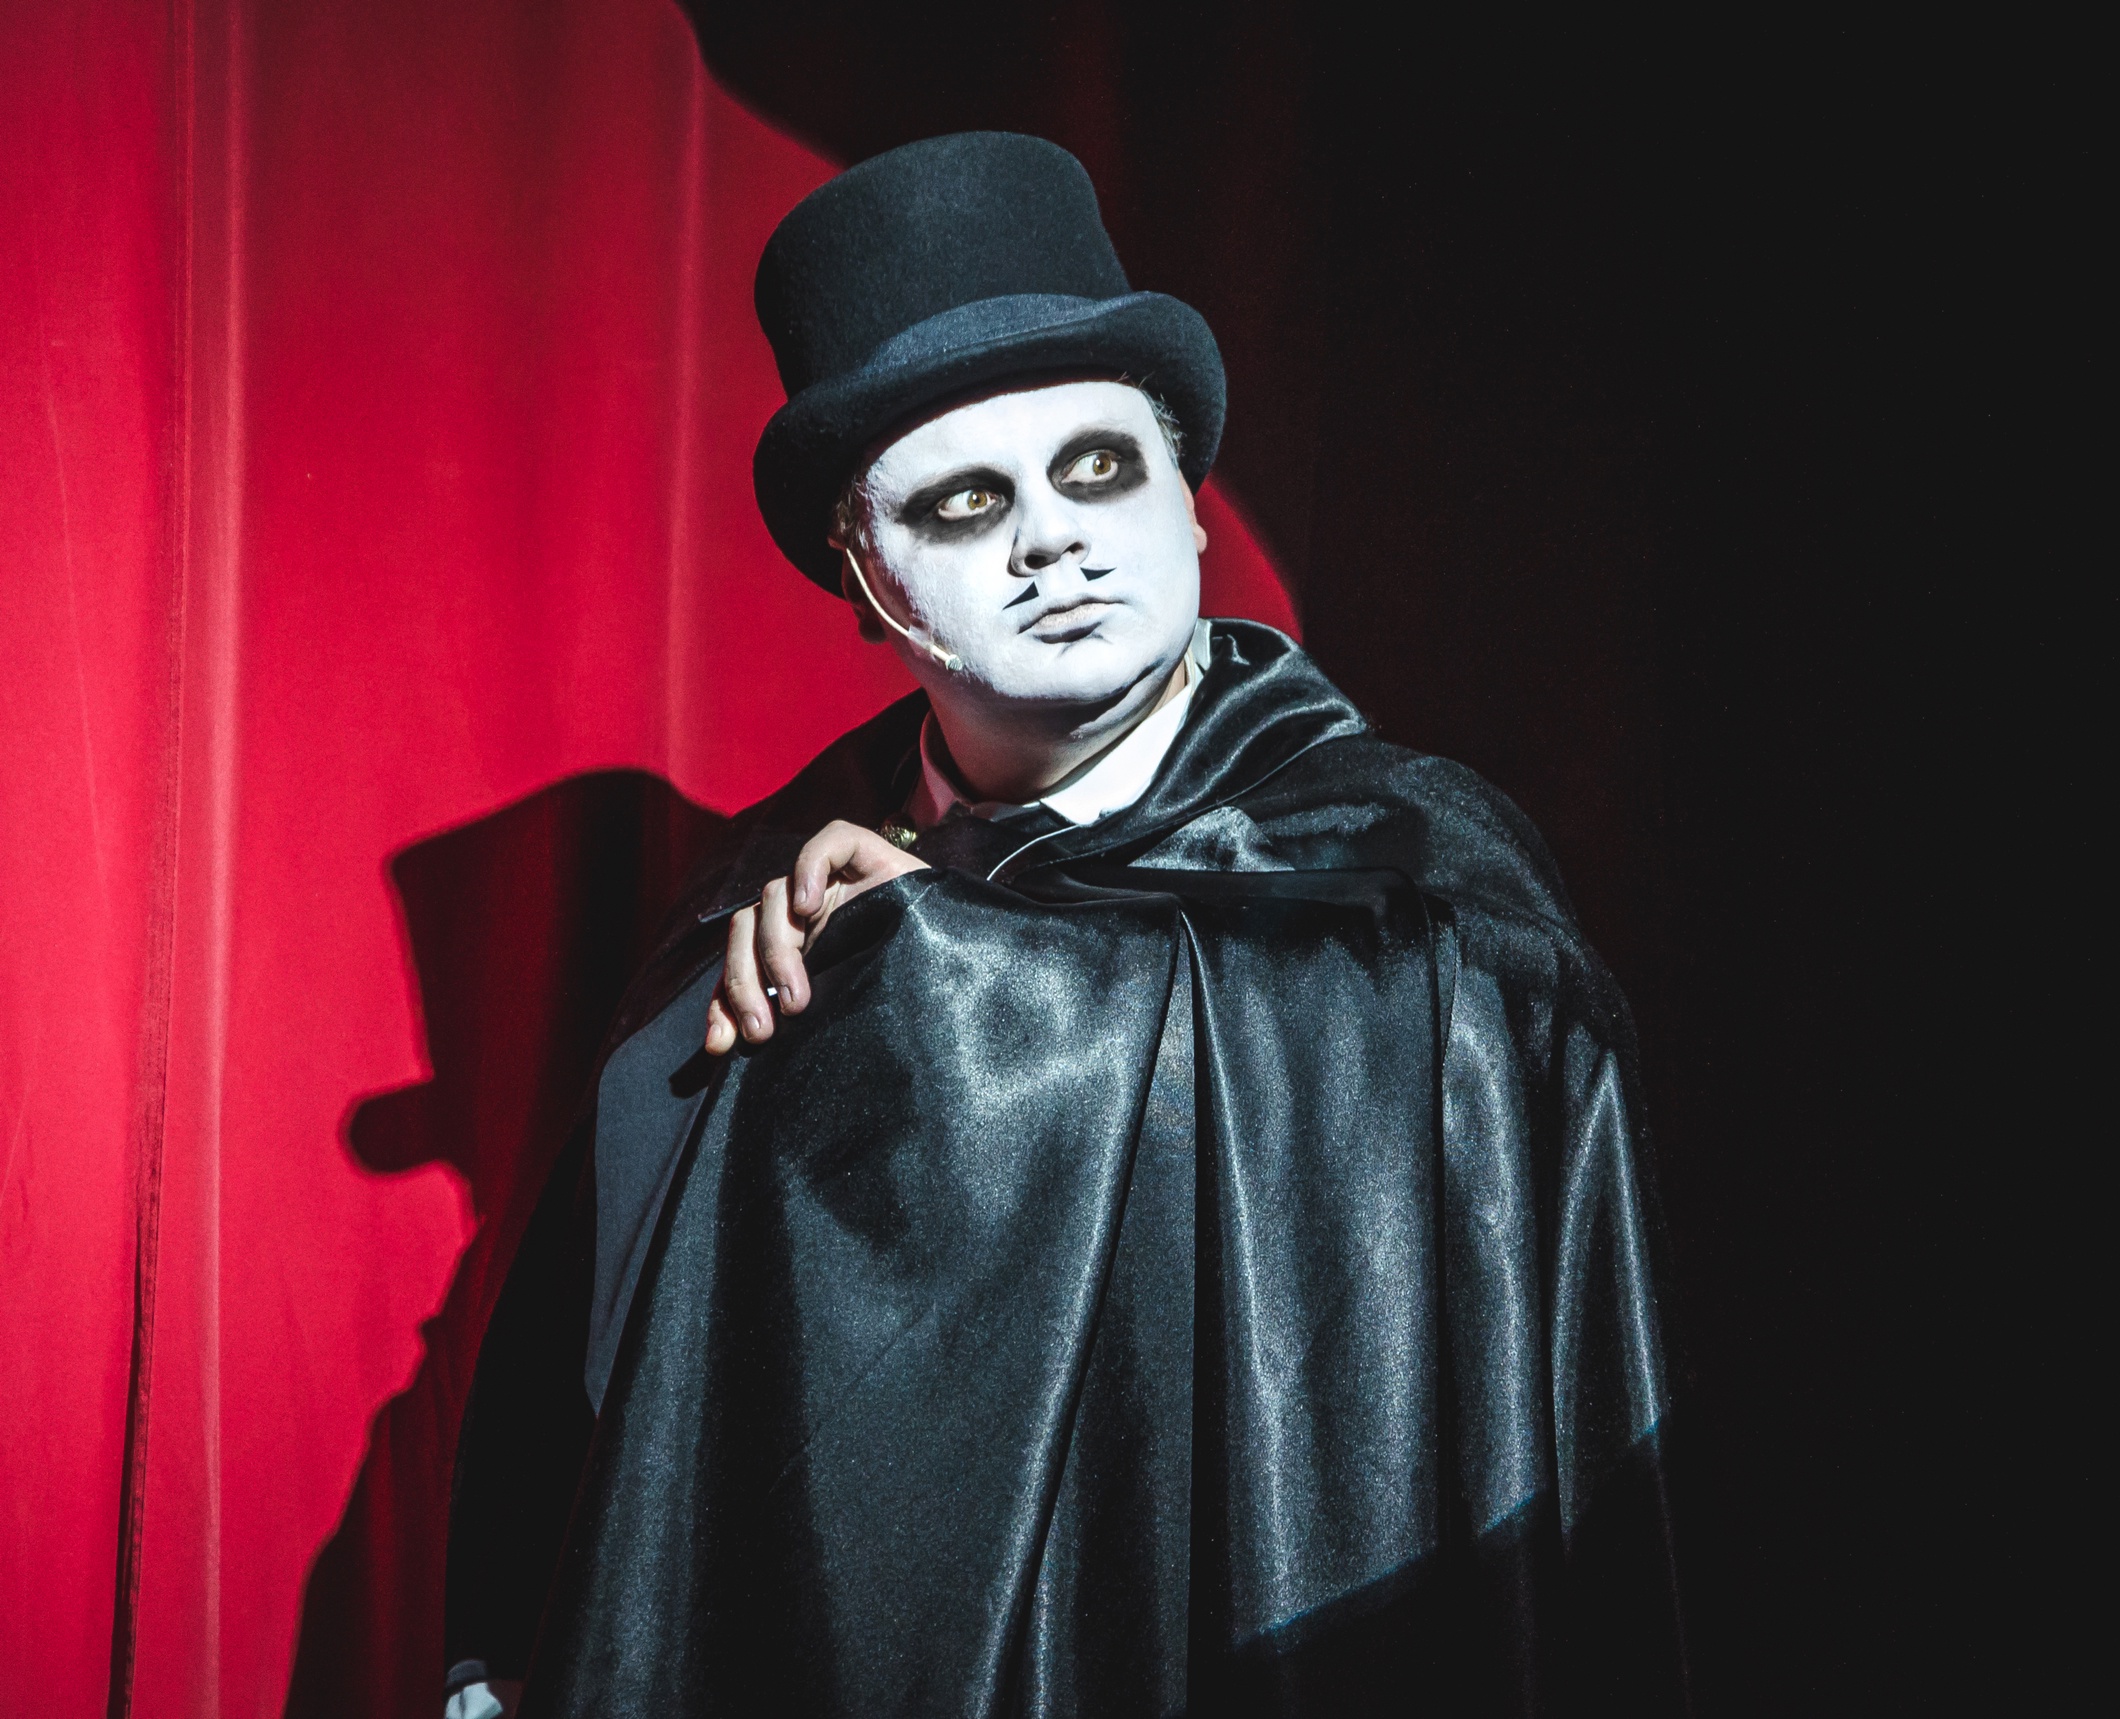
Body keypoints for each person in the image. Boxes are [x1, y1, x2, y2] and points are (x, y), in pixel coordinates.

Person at [445, 132, 1683, 1718]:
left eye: (1099, 468)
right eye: (968, 502)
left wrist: (959, 976)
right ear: (861, 578)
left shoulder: (1413, 867)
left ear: (1188, 506)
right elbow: (641, 1391)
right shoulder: (768, 897)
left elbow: (1482, 1112)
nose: (1053, 539)